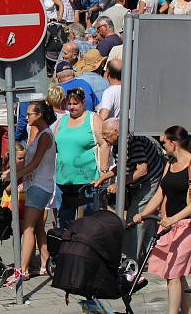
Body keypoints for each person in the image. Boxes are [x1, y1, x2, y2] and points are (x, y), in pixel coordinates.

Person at [133, 126, 191, 314]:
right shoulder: (169, 163)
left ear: (173, 143)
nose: (162, 145)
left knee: (173, 274)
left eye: (164, 142)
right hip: (169, 225)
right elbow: (160, 193)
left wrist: (173, 219)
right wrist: (143, 213)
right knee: (176, 274)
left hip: (186, 226)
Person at [93, 118, 165, 261]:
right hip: (138, 181)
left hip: (150, 180)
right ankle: (149, 257)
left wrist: (120, 185)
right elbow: (121, 166)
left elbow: (141, 170)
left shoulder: (133, 142)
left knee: (136, 217)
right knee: (146, 221)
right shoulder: (117, 142)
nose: (103, 137)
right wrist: (103, 178)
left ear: (116, 132)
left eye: (106, 134)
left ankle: (129, 259)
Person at [6, 101, 56, 280]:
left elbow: (35, 163)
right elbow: (30, 160)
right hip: (37, 185)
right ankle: (45, 263)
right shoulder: (41, 134)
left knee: (28, 228)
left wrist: (13, 179)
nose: (26, 117)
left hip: (39, 186)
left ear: (39, 114)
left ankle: (22, 270)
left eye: (29, 114)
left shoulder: (44, 135)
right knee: (38, 226)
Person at [53, 88, 107, 228]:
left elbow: (104, 144)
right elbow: (53, 145)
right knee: (64, 222)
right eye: (69, 104)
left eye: (75, 103)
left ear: (83, 102)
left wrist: (103, 172)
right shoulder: (63, 120)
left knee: (88, 223)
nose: (72, 107)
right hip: (63, 180)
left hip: (88, 181)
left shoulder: (93, 118)